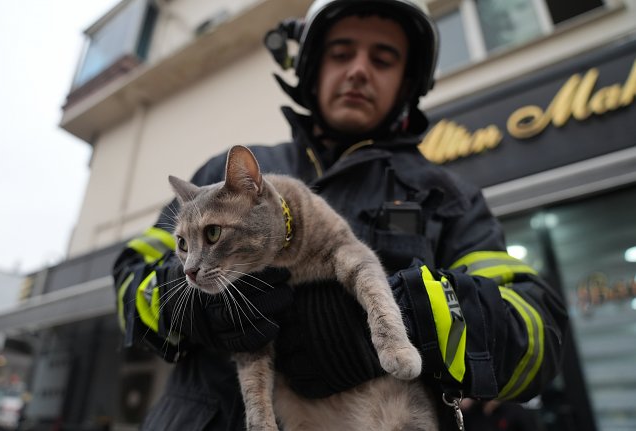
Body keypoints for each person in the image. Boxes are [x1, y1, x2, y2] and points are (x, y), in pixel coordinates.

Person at [112, 0, 568, 429]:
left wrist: (405, 318)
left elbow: (537, 337)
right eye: (341, 52)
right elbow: (129, 278)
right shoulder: (220, 179)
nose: (358, 70)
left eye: (383, 58)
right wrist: (188, 305)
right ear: (311, 66)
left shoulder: (448, 197)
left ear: (408, 79)